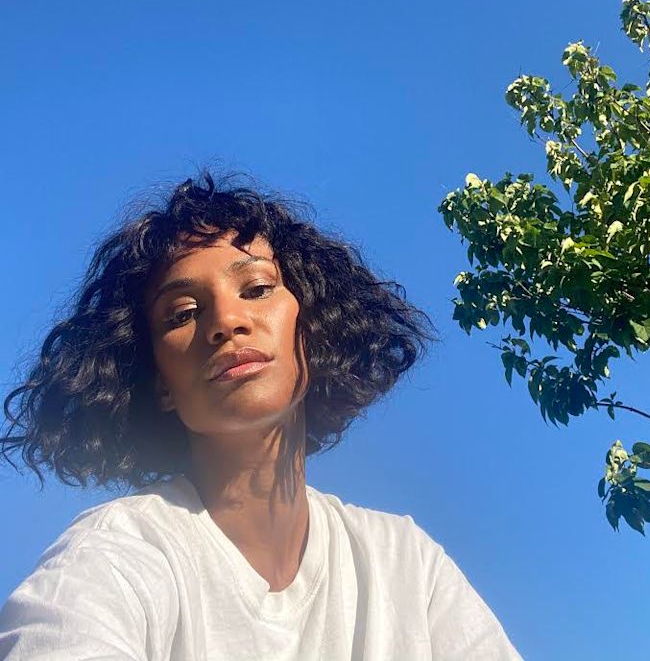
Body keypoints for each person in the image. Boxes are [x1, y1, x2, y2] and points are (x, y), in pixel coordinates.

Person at [0, 174, 522, 660]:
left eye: (256, 289)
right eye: (182, 314)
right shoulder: (116, 555)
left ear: (310, 330)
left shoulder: (405, 564)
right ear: (158, 382)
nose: (227, 321)